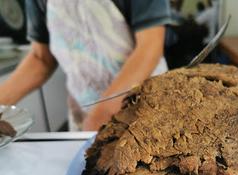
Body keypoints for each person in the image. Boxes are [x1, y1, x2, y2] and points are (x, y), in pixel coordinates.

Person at [0, 0, 172, 131]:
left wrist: (102, 114)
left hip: (145, 108)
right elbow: (41, 58)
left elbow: (150, 46)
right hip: (85, 113)